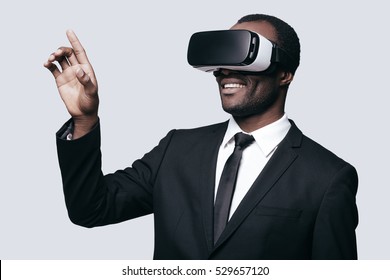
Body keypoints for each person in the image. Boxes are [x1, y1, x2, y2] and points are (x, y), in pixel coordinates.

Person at [44, 14, 358, 260]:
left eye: (243, 55)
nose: (224, 70)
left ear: (284, 73)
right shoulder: (176, 149)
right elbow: (91, 209)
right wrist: (84, 120)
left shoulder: (328, 177)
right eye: (221, 59)